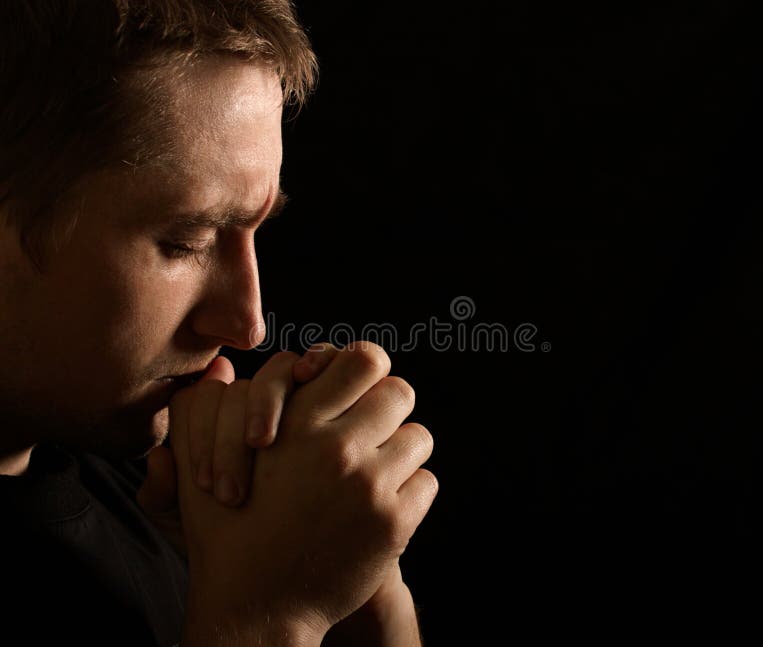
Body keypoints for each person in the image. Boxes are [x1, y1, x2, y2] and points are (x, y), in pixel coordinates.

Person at [0, 2, 438, 645]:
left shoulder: (154, 497)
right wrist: (268, 621)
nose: (249, 325)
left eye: (254, 229)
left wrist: (367, 603)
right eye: (187, 240)